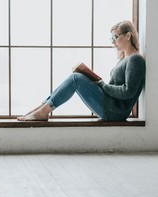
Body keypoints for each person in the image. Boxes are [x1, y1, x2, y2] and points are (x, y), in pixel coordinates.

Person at [17, 20, 146, 122]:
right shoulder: (125, 59)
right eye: (111, 38)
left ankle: (43, 111)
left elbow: (128, 92)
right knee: (77, 76)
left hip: (115, 111)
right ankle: (42, 107)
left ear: (128, 35)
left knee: (76, 78)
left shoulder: (135, 60)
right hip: (110, 104)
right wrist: (98, 83)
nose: (113, 42)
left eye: (115, 37)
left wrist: (102, 85)